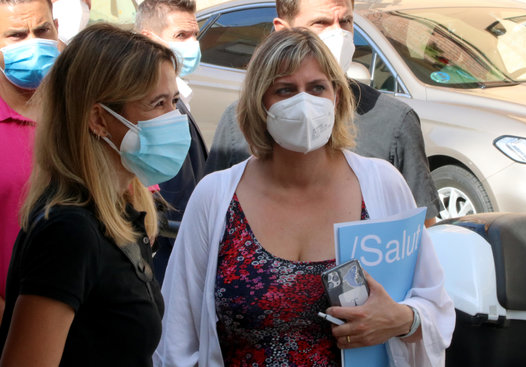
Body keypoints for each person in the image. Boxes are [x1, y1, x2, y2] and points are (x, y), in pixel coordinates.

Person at [155, 28, 454, 367]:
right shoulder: (215, 198)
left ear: (337, 97)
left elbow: (435, 304)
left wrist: (403, 320)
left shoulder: (383, 184)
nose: (305, 102)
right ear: (260, 102)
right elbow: (176, 338)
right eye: (285, 90)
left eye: (317, 88)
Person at [0, 23, 192, 366]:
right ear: (99, 119)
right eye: (157, 103)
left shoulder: (121, 210)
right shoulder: (69, 231)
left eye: (174, 101)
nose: (173, 118)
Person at [204, 0, 441, 226]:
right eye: (321, 23)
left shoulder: (395, 122)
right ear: (282, 30)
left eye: (346, 21)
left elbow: (421, 231)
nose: (339, 35)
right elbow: (211, 218)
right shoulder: (236, 123)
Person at [135, 0, 208, 284]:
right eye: (181, 36)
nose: (192, 45)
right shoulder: (144, 108)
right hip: (168, 262)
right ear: (147, 39)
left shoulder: (178, 96)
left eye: (195, 36)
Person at [0, 0, 60, 320]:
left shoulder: (87, 110)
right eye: (16, 35)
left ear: (57, 29)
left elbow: (141, 202)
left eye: (42, 30)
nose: (33, 44)